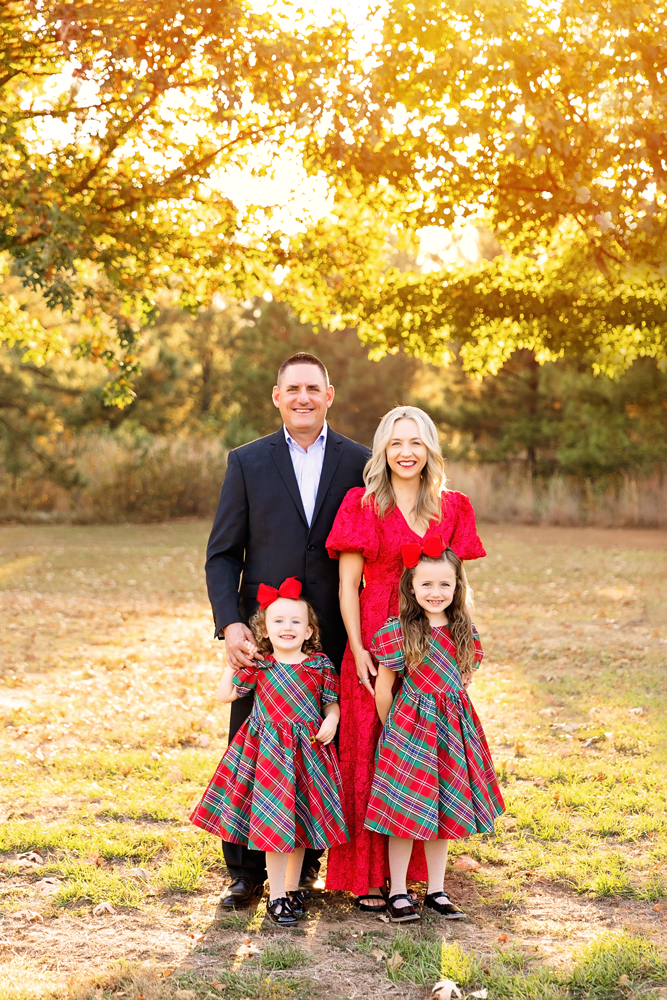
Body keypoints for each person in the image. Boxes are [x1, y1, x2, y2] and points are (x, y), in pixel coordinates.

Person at [205, 352, 368, 908]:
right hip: (263, 634)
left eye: (312, 388)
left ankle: (303, 869)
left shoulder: (360, 462)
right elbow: (223, 554)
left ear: (330, 394)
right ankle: (247, 873)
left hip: (332, 635)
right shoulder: (247, 462)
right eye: (292, 388)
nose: (302, 397)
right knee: (250, 746)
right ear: (276, 396)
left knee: (320, 747)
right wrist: (230, 623)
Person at [325, 405, 486, 907]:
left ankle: (418, 876)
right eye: (396, 443)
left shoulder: (453, 506)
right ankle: (369, 878)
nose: (406, 452)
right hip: (376, 639)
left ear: (430, 448)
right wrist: (355, 645)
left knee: (423, 757)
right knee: (369, 750)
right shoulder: (363, 502)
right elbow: (348, 584)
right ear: (383, 450)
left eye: (416, 442)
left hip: (432, 645)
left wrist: (456, 646)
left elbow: (457, 585)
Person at [190, 578, 348, 926]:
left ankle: (290, 890)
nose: (286, 628)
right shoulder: (262, 666)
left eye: (295, 622)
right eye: (278, 621)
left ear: (309, 631)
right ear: (264, 628)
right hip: (269, 757)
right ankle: (275, 897)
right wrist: (233, 663)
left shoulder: (320, 665)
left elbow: (332, 704)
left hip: (307, 754)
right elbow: (225, 695)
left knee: (301, 822)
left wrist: (331, 721)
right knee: (275, 826)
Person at [364, 543, 504, 922]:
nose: (436, 592)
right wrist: (395, 729)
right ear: (411, 587)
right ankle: (397, 892)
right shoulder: (398, 632)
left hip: (451, 733)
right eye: (426, 584)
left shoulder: (464, 632)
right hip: (408, 733)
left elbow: (462, 682)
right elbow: (383, 690)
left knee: (443, 808)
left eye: (445, 583)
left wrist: (450, 720)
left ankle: (437, 891)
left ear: (458, 586)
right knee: (405, 812)